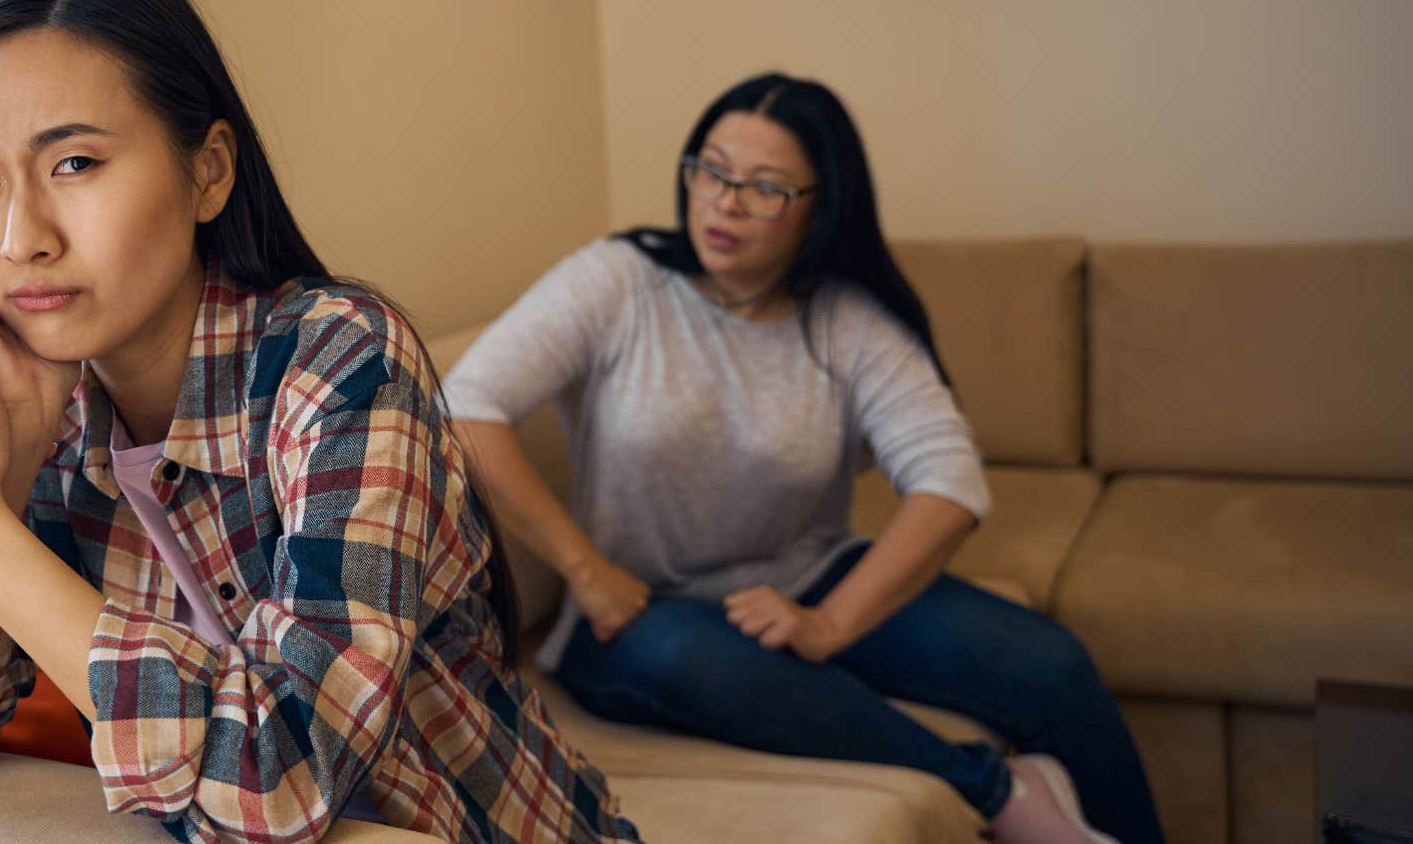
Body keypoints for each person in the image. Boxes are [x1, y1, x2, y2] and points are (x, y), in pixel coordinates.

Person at [0, 0, 641, 844]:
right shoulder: (39, 405)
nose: (23, 237)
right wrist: (0, 469)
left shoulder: (340, 360)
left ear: (209, 171)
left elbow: (279, 783)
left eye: (74, 162)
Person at [443, 73, 1164, 844]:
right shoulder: (620, 280)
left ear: (821, 206)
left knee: (1049, 664)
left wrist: (828, 624)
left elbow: (949, 484)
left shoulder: (848, 322)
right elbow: (465, 404)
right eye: (710, 170)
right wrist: (585, 569)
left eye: (765, 188)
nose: (724, 201)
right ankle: (999, 792)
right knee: (694, 659)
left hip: (806, 576)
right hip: (643, 611)